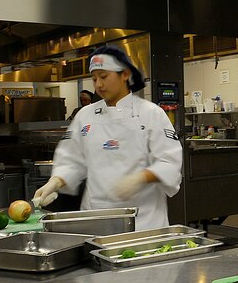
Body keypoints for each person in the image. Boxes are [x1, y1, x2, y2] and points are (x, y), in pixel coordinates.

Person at [34, 45, 183, 230]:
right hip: (95, 217)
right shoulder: (84, 116)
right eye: (94, 79)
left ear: (125, 74)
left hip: (143, 222)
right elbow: (71, 159)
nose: (98, 85)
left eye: (104, 77)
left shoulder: (151, 113)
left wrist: (140, 178)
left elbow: (170, 162)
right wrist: (56, 181)